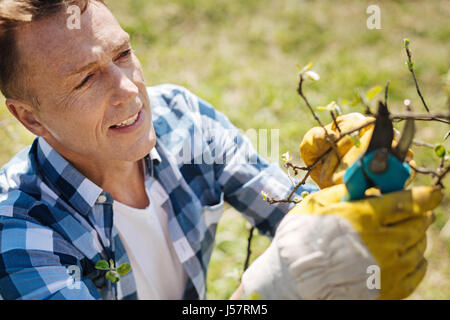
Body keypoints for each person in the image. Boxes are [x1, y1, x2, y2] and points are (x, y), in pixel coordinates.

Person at [0, 0, 442, 300]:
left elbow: (289, 213)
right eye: (84, 79)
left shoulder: (183, 122)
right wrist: (274, 288)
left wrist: (344, 193)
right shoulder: (17, 232)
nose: (129, 89)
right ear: (30, 118)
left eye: (122, 53)